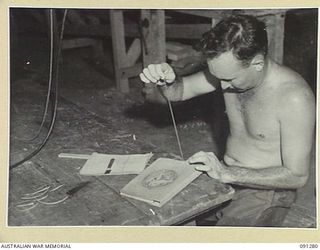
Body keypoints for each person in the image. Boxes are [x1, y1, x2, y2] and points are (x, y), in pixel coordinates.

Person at [139, 14, 315, 227]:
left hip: (266, 190)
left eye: (229, 79)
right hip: (225, 174)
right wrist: (167, 79)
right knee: (169, 215)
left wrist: (228, 173)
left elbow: (297, 176)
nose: (222, 86)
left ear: (257, 62)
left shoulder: (293, 97)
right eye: (218, 76)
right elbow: (178, 91)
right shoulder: (227, 73)